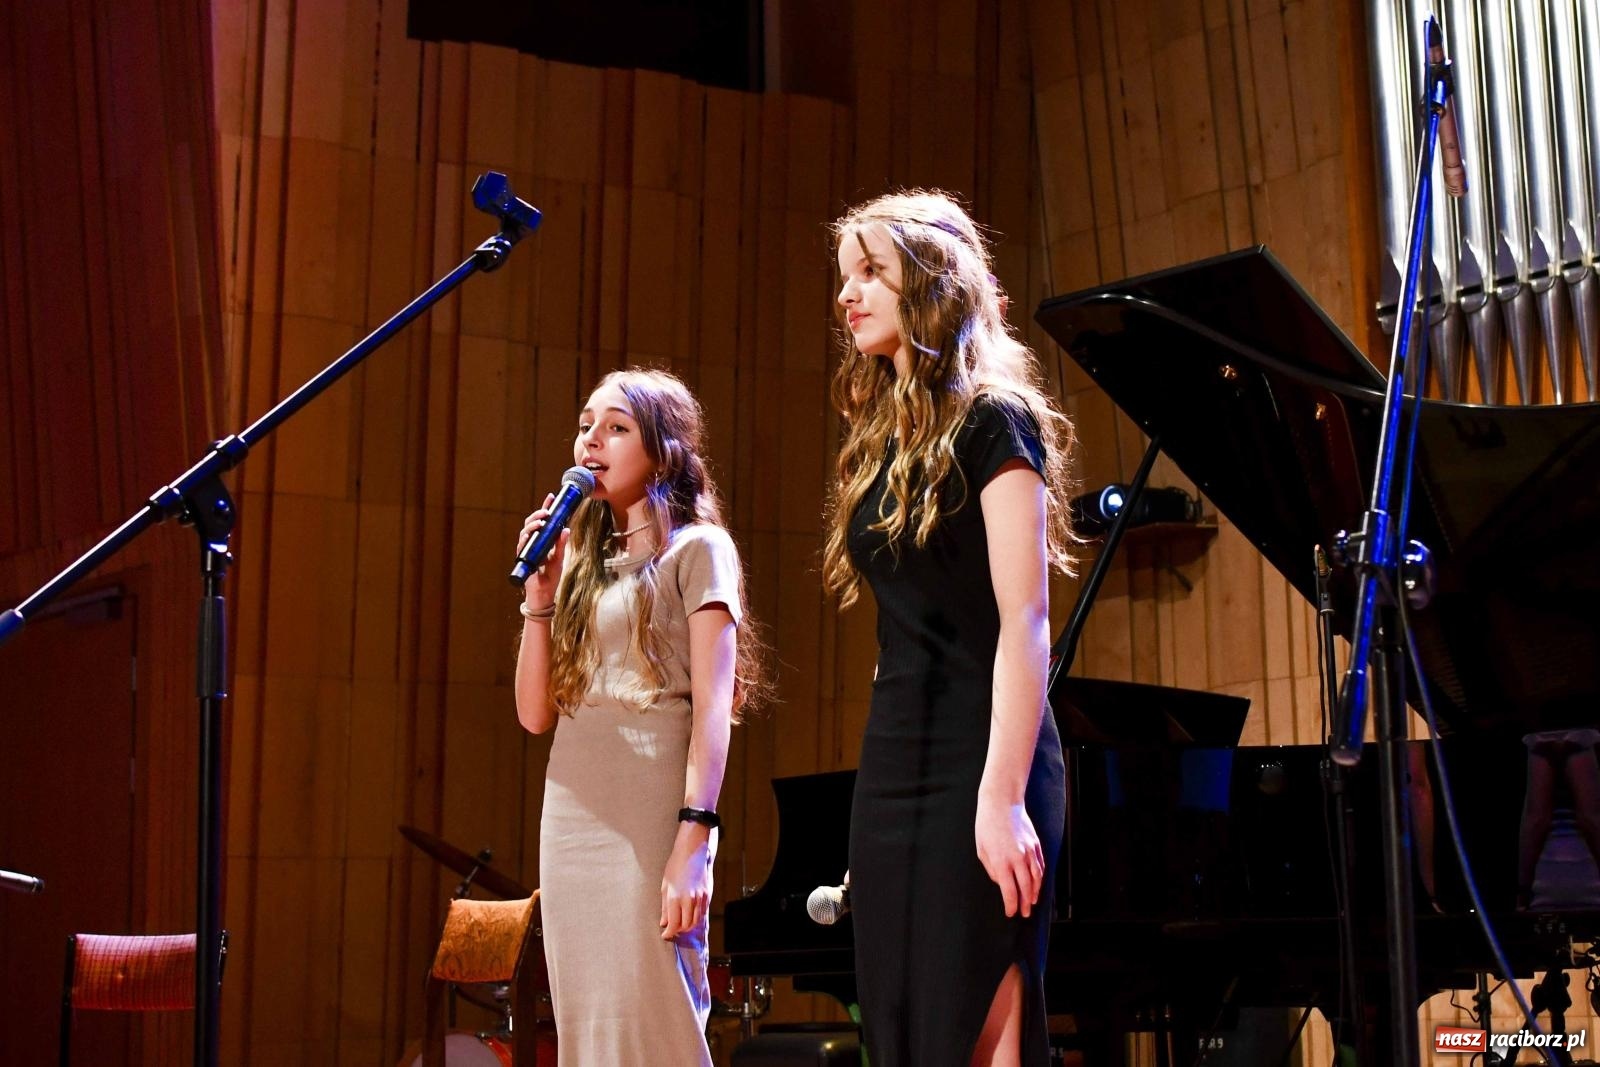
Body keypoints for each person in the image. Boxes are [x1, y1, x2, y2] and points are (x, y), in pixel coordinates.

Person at [824, 190, 1077, 1067]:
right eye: (846, 275)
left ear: (929, 287)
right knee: (900, 1029)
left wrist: (1002, 796)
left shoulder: (994, 421)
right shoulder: (879, 440)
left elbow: (1026, 618)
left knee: (981, 1019)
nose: (848, 294)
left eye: (871, 273)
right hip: (895, 762)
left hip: (985, 755)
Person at [513, 368, 766, 1065]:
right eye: (586, 423)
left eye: (617, 427)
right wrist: (539, 595)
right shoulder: (580, 563)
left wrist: (696, 838)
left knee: (652, 1006)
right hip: (572, 808)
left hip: (653, 804)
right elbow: (535, 714)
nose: (591, 439)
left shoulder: (698, 550)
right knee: (585, 1013)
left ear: (664, 450)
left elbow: (715, 707)